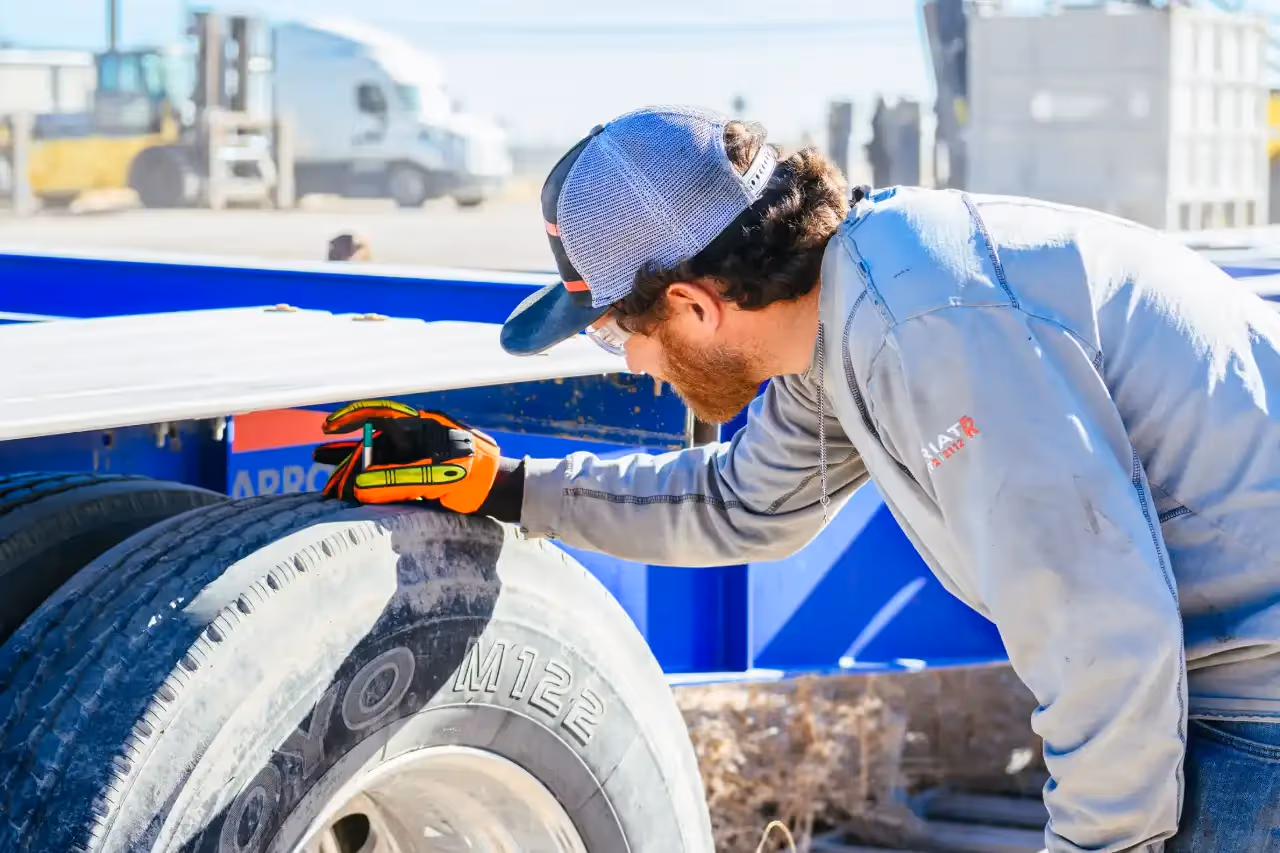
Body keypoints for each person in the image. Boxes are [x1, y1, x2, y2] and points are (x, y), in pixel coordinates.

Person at [312, 105, 1280, 852]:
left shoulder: (924, 331)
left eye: (621, 333)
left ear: (691, 304)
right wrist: (507, 486)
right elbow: (736, 505)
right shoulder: (852, 309)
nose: (635, 368)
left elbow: (1100, 634)